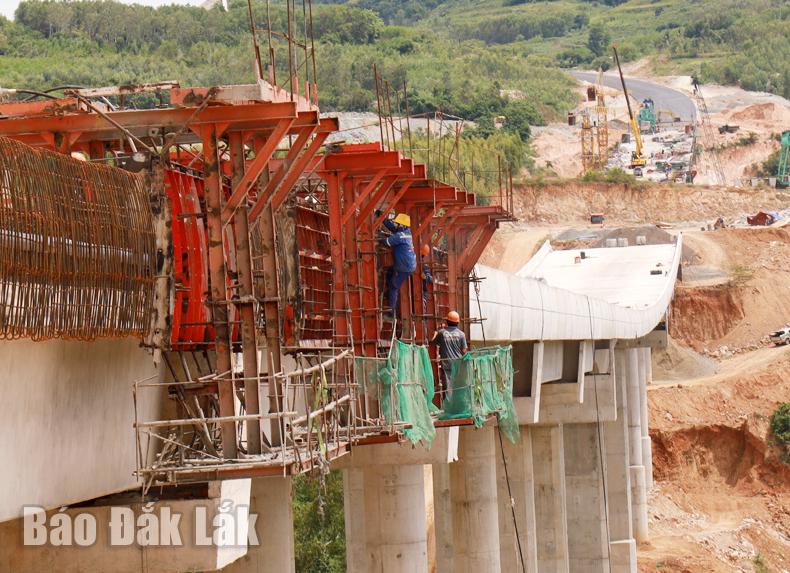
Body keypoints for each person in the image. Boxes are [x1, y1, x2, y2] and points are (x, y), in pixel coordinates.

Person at [377, 212, 417, 316]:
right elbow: (393, 228)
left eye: (398, 224)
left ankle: (391, 311)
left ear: (402, 225)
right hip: (407, 265)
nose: (396, 225)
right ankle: (388, 294)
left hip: (404, 267)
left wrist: (379, 237)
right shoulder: (406, 232)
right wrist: (382, 218)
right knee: (390, 273)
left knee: (394, 286)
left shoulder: (400, 236)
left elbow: (387, 242)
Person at [430, 310, 468, 396]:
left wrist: (435, 334)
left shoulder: (442, 333)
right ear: (458, 322)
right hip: (458, 364)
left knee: (447, 390)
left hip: (446, 365)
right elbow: (464, 351)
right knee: (458, 387)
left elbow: (433, 343)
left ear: (447, 321)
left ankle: (448, 406)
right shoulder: (461, 334)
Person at [420, 244, 433, 314]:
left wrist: (425, 277)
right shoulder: (413, 261)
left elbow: (431, 279)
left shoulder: (425, 266)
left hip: (422, 291)